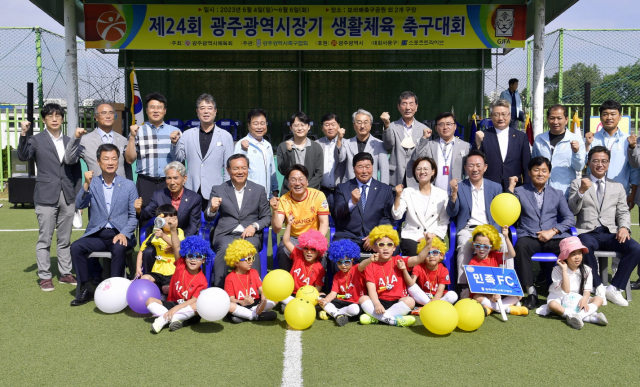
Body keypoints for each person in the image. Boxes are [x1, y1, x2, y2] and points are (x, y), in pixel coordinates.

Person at [18, 104, 81, 291]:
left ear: (62, 119)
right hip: (45, 194)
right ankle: (44, 276)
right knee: (45, 238)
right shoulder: (36, 140)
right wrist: (23, 134)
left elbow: (76, 171)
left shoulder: (71, 140)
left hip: (68, 194)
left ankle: (65, 273)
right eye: (50, 116)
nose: (54, 119)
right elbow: (22, 156)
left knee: (65, 238)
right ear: (44, 119)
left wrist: (78, 196)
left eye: (58, 115)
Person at [568, 146, 640, 306]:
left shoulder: (618, 186)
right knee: (585, 246)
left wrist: (623, 227)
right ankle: (598, 286)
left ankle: (614, 288)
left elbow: (623, 211)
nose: (600, 164)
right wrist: (581, 191)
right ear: (588, 162)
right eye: (595, 161)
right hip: (587, 231)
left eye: (604, 161)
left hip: (610, 232)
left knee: (635, 248)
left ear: (608, 163)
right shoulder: (577, 183)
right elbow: (572, 209)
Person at [70, 144, 138, 306]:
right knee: (76, 247)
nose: (110, 162)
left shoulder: (128, 185)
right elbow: (79, 204)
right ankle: (86, 288)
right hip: (98, 235)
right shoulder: (92, 183)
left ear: (118, 161)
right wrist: (85, 184)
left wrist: (124, 233)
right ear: (98, 162)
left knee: (119, 247)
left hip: (120, 233)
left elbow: (134, 215)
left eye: (114, 158)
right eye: (106, 159)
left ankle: (115, 291)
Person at [510, 156, 576, 310]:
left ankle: (564, 288)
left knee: (568, 247)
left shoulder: (557, 193)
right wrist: (511, 189)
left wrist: (553, 231)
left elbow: (569, 218)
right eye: (536, 170)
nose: (540, 173)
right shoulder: (520, 191)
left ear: (549, 173)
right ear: (529, 172)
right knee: (520, 246)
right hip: (528, 235)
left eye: (544, 170)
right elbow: (508, 208)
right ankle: (531, 290)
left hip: (553, 236)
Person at [205, 154, 271, 288]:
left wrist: (254, 226)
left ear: (248, 169)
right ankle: (220, 290)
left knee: (250, 251)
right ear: (228, 170)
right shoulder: (218, 189)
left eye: (244, 168)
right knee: (224, 249)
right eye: (236, 168)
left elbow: (267, 217)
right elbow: (208, 217)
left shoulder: (259, 190)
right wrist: (212, 208)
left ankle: (253, 291)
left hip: (250, 235)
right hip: (225, 234)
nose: (240, 172)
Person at [447, 150, 507, 288]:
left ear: (485, 167)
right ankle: (464, 287)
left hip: (491, 228)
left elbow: (501, 211)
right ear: (465, 168)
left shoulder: (495, 187)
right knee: (463, 244)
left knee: (504, 244)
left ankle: (506, 286)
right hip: (469, 229)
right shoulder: (460, 187)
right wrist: (454, 194)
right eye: (471, 165)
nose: (475, 169)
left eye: (478, 165)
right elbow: (452, 213)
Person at [170, 93, 234, 211]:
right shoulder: (187, 135)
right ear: (197, 111)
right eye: (202, 108)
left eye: (209, 108)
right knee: (191, 226)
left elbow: (228, 167)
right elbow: (178, 159)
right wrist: (174, 144)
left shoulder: (226, 136)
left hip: (215, 191)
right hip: (191, 189)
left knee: (213, 225)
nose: (206, 112)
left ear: (215, 111)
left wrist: (227, 191)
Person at [136, 161, 202, 274]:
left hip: (183, 239)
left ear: (184, 179)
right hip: (161, 239)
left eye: (176, 178)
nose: (172, 182)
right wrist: (138, 210)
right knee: (148, 252)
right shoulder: (158, 195)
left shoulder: (194, 198)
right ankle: (150, 281)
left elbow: (193, 226)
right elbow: (146, 215)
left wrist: (178, 245)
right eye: (168, 178)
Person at [358, 225, 432, 327]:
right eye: (381, 244)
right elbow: (372, 290)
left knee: (410, 301)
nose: (385, 248)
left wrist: (428, 245)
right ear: (374, 247)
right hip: (380, 301)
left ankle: (375, 318)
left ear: (394, 247)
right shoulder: (370, 265)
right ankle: (394, 320)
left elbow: (419, 258)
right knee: (363, 298)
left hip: (398, 301)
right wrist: (377, 304)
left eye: (389, 244)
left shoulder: (399, 260)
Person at [146, 223, 211, 333]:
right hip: (173, 302)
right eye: (190, 256)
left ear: (204, 260)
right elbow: (176, 246)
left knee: (198, 305)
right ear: (185, 256)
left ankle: (164, 319)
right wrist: (173, 230)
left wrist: (176, 309)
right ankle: (175, 319)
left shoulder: (202, 280)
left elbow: (194, 300)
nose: (193, 260)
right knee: (149, 300)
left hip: (188, 308)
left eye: (198, 256)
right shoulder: (181, 265)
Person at [125, 92, 180, 207]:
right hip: (145, 182)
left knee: (168, 220)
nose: (156, 111)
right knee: (145, 219)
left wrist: (174, 143)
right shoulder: (138, 131)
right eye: (152, 107)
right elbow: (130, 160)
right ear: (146, 110)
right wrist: (132, 136)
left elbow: (179, 159)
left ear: (165, 110)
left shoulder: (175, 131)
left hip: (168, 183)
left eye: (159, 107)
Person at [539, 237, 608, 330]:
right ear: (565, 256)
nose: (577, 257)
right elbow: (566, 290)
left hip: (576, 298)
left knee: (599, 299)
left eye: (580, 253)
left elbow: (587, 290)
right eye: (573, 254)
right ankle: (589, 318)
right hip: (559, 298)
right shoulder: (557, 270)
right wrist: (564, 270)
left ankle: (579, 316)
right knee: (552, 305)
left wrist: (584, 299)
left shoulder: (587, 269)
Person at [270, 165, 329, 271]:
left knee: (323, 252)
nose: (297, 183)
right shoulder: (284, 199)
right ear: (288, 184)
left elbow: (324, 223)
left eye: (301, 179)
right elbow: (277, 229)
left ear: (307, 181)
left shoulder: (318, 196)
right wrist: (274, 211)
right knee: (283, 251)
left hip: (314, 237)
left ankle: (318, 282)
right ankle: (288, 283)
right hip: (292, 238)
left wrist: (316, 242)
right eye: (293, 180)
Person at [334, 152, 394, 252]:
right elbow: (337, 214)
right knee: (338, 251)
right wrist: (352, 202)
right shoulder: (343, 188)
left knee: (391, 250)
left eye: (367, 166)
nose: (364, 171)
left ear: (373, 167)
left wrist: (375, 235)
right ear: (353, 169)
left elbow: (387, 218)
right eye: (360, 167)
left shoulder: (385, 189)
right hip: (349, 237)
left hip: (376, 237)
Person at [584, 99, 639, 209]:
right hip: (594, 193)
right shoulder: (591, 139)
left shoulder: (627, 140)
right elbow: (583, 164)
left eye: (613, 114)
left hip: (620, 193)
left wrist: (632, 194)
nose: (609, 118)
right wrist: (586, 146)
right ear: (600, 117)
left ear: (620, 117)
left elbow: (634, 169)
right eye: (605, 114)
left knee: (621, 225)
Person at [392, 156, 449, 256]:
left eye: (426, 169)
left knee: (432, 254)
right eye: (418, 169)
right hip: (411, 236)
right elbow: (397, 215)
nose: (422, 172)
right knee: (414, 252)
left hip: (433, 236)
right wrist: (397, 196)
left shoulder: (442, 194)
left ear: (433, 171)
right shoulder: (408, 192)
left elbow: (444, 222)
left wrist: (433, 235)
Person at [468, 225, 528, 316]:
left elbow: (512, 254)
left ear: (491, 247)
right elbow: (478, 287)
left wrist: (507, 237)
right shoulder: (473, 263)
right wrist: (491, 297)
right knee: (477, 297)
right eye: (477, 245)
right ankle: (508, 309)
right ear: (473, 245)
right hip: (484, 294)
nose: (481, 249)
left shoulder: (494, 255)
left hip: (498, 291)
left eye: (486, 247)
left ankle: (490, 309)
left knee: (518, 296)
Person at [475, 99, 531, 192]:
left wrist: (527, 188)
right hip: (488, 187)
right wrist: (477, 144)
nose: (500, 118)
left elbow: (526, 165)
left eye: (504, 114)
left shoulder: (521, 137)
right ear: (491, 116)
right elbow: (475, 160)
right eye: (496, 114)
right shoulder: (483, 136)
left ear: (510, 115)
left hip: (514, 187)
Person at [532, 104, 586, 196]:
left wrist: (576, 152)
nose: (555, 121)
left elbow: (579, 167)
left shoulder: (575, 140)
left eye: (559, 118)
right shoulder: (539, 139)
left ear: (566, 120)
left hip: (564, 192)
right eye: (552, 118)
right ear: (547, 119)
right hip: (541, 191)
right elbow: (533, 164)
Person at [318, 239, 374, 326]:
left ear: (353, 260)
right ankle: (338, 315)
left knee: (355, 309)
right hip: (340, 302)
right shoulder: (337, 275)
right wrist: (325, 300)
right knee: (320, 297)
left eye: (347, 262)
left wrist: (370, 260)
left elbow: (362, 264)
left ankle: (334, 313)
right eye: (339, 262)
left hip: (354, 303)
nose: (343, 265)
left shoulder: (357, 269)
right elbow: (333, 293)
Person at [64, 103, 129, 177]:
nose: (108, 116)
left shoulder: (122, 140)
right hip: (97, 186)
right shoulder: (85, 140)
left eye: (111, 113)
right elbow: (69, 160)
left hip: (120, 186)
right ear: (96, 117)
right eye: (103, 113)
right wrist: (75, 138)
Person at [381, 91, 430, 187]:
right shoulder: (391, 126)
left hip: (416, 178)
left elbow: (423, 155)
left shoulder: (424, 129)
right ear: (399, 107)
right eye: (404, 104)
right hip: (395, 178)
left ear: (416, 107)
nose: (408, 108)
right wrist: (386, 125)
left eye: (411, 104)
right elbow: (387, 145)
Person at [411, 112, 470, 192]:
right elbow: (416, 158)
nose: (445, 127)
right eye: (441, 124)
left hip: (456, 193)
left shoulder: (465, 146)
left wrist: (465, 191)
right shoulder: (430, 145)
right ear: (436, 128)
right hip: (433, 193)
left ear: (455, 126)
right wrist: (424, 138)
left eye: (449, 124)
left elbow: (468, 172)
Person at [224, 239, 277, 323]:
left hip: (256, 304)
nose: (251, 261)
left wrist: (262, 303)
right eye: (248, 259)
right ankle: (254, 316)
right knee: (230, 306)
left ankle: (247, 316)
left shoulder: (254, 272)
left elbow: (263, 290)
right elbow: (231, 299)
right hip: (241, 305)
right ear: (236, 262)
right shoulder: (229, 278)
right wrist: (243, 302)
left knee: (275, 297)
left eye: (252, 258)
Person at [399, 237, 457, 313]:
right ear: (422, 256)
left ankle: (426, 308)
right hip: (423, 297)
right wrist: (404, 270)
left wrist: (433, 301)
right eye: (427, 253)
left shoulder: (443, 269)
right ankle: (435, 308)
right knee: (410, 287)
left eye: (435, 252)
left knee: (453, 295)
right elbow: (411, 283)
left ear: (441, 255)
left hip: (438, 298)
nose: (431, 256)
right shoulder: (418, 266)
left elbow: (440, 292)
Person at [135, 205, 185, 293]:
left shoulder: (178, 232)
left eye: (174, 219)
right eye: (167, 221)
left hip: (173, 271)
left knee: (166, 289)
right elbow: (141, 251)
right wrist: (138, 268)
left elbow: (178, 246)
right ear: (160, 222)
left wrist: (163, 236)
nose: (172, 222)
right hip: (157, 270)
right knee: (144, 279)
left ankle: (161, 290)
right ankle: (156, 288)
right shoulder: (154, 236)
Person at [279, 223, 328, 311]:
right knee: (281, 297)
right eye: (306, 248)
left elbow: (318, 287)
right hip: (293, 293)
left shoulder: (320, 268)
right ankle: (306, 307)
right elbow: (286, 241)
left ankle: (298, 306)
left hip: (308, 295)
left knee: (322, 295)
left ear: (319, 251)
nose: (309, 252)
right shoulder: (298, 254)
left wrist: (310, 294)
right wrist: (289, 225)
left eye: (313, 249)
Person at [235, 108, 279, 199]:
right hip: (248, 197)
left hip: (265, 197)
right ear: (249, 126)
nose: (259, 127)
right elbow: (236, 170)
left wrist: (275, 190)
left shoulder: (267, 145)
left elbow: (272, 170)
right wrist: (243, 150)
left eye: (262, 123)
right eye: (255, 123)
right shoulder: (242, 144)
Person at [277, 111, 324, 195]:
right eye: (296, 125)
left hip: (310, 193)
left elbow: (319, 173)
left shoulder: (316, 147)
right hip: (289, 192)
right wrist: (289, 151)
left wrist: (306, 188)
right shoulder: (282, 146)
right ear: (291, 127)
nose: (299, 128)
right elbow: (283, 170)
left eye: (303, 125)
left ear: (309, 127)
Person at [344, 109, 389, 185]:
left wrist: (383, 191)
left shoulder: (379, 144)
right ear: (354, 125)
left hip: (372, 189)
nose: (362, 126)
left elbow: (384, 170)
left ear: (371, 125)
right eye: (359, 122)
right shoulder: (346, 143)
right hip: (351, 188)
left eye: (366, 122)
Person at [316, 113, 347, 210]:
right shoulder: (316, 144)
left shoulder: (347, 143)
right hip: (322, 190)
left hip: (341, 190)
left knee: (340, 219)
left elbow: (341, 158)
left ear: (339, 126)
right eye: (327, 125)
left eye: (333, 124)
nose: (330, 128)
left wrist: (339, 141)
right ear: (322, 128)